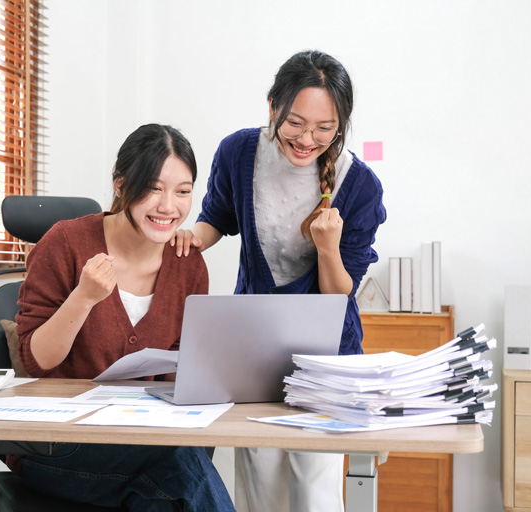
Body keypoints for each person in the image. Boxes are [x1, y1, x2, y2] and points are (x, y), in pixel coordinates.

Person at [172, 50, 386, 512]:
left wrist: (328, 245)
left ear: (340, 125)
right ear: (272, 108)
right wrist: (189, 238)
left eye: (325, 128)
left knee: (316, 488)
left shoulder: (360, 185)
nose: (308, 139)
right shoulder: (239, 153)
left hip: (328, 359)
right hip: (255, 350)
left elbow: (338, 294)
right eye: (295, 122)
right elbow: (217, 219)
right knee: (260, 485)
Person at [11, 123, 235, 512]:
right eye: (153, 188)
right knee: (176, 464)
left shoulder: (188, 264)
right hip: (55, 444)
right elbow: (37, 360)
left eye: (182, 192)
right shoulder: (65, 243)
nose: (169, 207)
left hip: (143, 439)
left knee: (167, 491)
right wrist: (84, 297)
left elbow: (176, 373)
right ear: (120, 185)